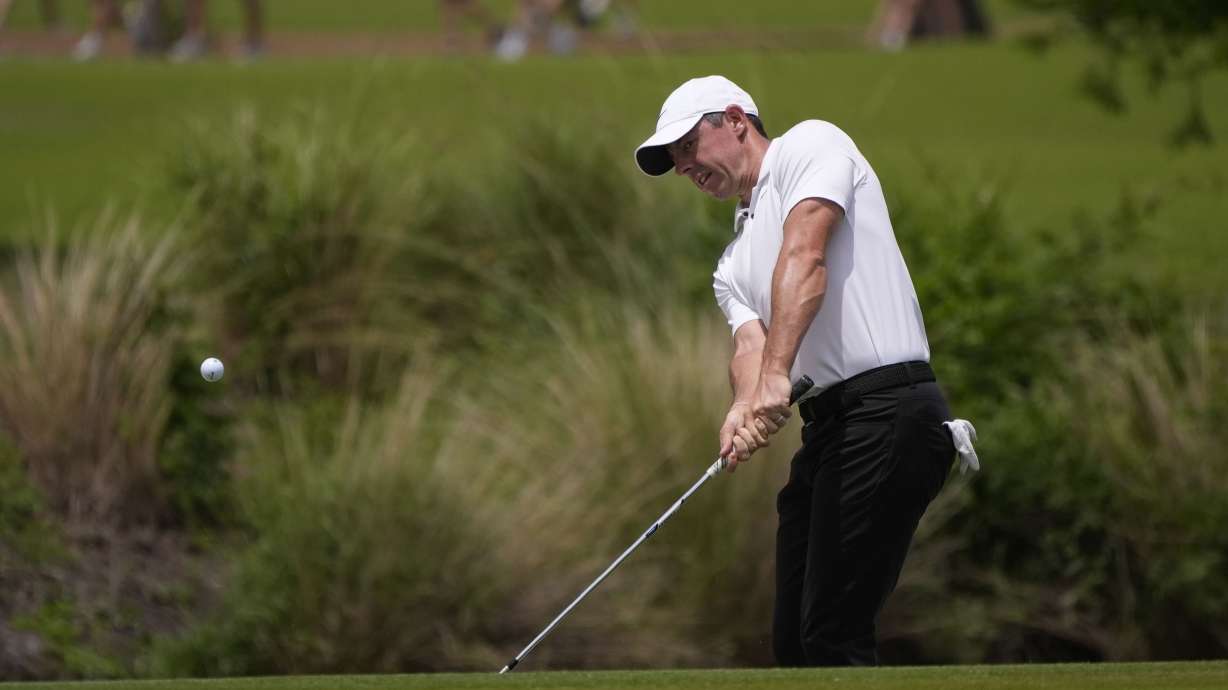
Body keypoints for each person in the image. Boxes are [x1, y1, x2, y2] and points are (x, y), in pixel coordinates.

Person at [633, 75, 976, 666]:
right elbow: (749, 347)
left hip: (890, 410)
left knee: (832, 636)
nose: (685, 167)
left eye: (689, 146)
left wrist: (775, 377)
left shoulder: (810, 146)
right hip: (830, 431)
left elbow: (806, 255)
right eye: (675, 160)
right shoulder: (732, 262)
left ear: (736, 119)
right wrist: (743, 405)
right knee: (795, 645)